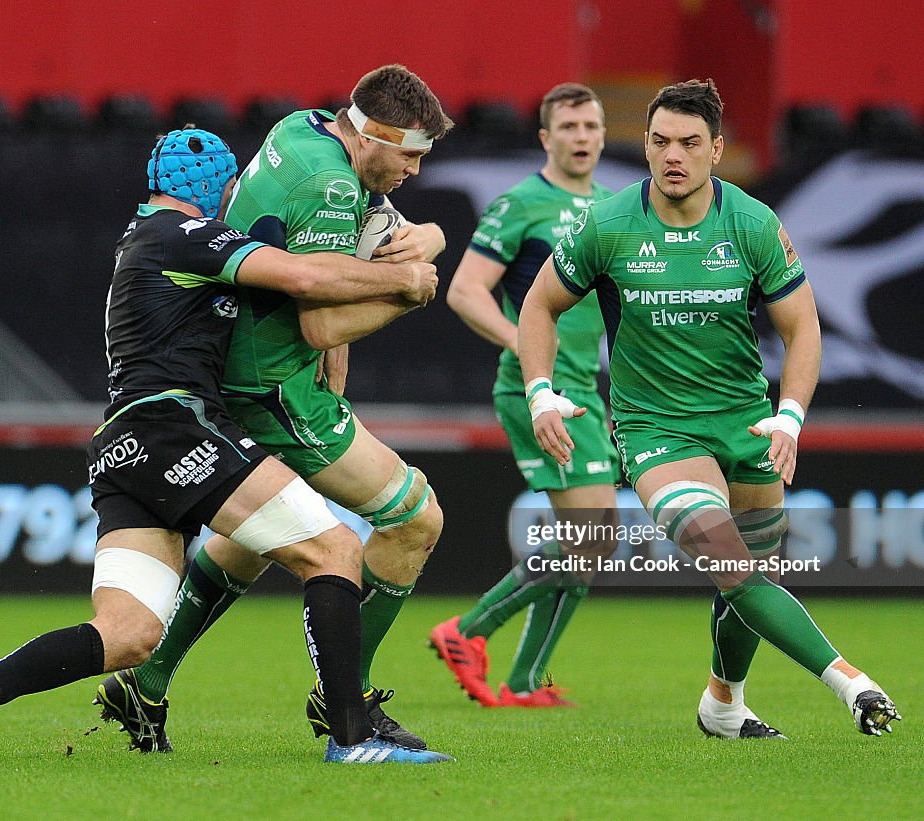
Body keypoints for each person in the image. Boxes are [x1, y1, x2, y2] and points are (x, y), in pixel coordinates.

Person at [0, 127, 451, 765]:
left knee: (128, 635)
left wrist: (425, 238)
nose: (232, 200)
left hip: (120, 448)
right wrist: (406, 281)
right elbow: (305, 278)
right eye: (228, 188)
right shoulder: (188, 237)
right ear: (210, 189)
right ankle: (353, 737)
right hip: (176, 427)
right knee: (333, 549)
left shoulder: (142, 238)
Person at [518, 79, 901, 738]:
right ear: (644, 145)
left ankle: (723, 703)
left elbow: (803, 328)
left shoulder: (751, 222)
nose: (674, 155)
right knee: (732, 564)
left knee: (752, 576)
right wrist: (540, 391)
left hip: (746, 424)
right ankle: (852, 682)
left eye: (690, 143)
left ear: (716, 149)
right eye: (661, 141)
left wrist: (789, 416)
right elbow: (538, 304)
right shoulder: (607, 224)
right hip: (657, 431)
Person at [101, 65, 454, 752]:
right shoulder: (328, 185)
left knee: (251, 539)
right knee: (414, 518)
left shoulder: (306, 127)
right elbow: (322, 327)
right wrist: (409, 289)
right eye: (411, 154)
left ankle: (143, 682)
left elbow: (379, 223)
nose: (415, 168)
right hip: (273, 384)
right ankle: (345, 701)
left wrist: (429, 236)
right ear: (374, 135)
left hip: (236, 368)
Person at [430, 84, 619, 708]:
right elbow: (464, 291)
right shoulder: (522, 204)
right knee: (596, 535)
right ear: (546, 138)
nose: (584, 137)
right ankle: (467, 631)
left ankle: (525, 679)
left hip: (584, 389)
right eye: (569, 127)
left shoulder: (614, 208)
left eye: (592, 126)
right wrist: (526, 346)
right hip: (535, 389)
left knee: (588, 544)